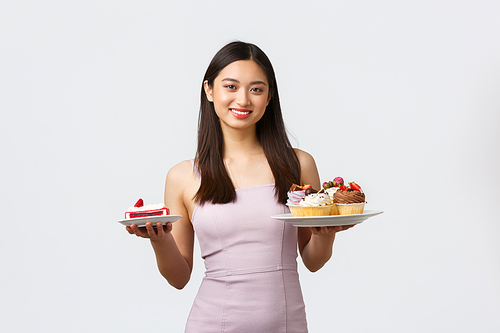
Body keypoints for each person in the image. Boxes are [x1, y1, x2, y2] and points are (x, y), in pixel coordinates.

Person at [126, 41, 354, 332]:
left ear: (270, 96)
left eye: (256, 89)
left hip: (287, 325)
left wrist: (326, 233)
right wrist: (159, 240)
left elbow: (313, 261)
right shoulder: (183, 176)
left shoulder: (298, 165)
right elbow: (179, 277)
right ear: (209, 90)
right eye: (230, 87)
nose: (243, 100)